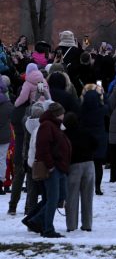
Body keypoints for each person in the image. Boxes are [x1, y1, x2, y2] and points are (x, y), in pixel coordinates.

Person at [23, 102, 71, 238]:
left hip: (59, 167)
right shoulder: (47, 126)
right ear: (57, 114)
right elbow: (42, 148)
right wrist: (50, 166)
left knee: (59, 197)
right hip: (52, 168)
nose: (64, 115)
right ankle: (47, 228)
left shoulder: (53, 125)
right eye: (62, 113)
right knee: (53, 199)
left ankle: (36, 220)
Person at [63, 112, 97, 232]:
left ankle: (71, 225)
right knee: (88, 197)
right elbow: (96, 144)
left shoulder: (65, 135)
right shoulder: (86, 132)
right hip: (89, 164)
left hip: (73, 166)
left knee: (71, 197)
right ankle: (87, 224)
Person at [79, 86, 108, 195]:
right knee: (98, 165)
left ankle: (85, 186)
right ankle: (97, 187)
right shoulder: (101, 109)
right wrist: (103, 94)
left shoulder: (82, 110)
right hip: (99, 138)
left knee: (85, 165)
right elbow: (107, 105)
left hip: (85, 139)